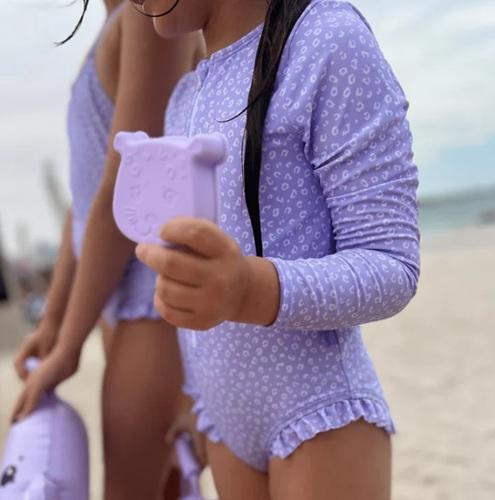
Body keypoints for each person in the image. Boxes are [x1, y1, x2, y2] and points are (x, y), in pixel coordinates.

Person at [134, 0, 421, 499]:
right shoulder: (184, 99)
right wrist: (193, 396)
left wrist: (249, 290)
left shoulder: (325, 42)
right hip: (224, 422)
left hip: (317, 413)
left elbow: (392, 263)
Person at [12, 1, 204, 498]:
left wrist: (68, 346)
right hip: (122, 298)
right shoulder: (115, 24)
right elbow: (83, 205)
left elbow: (124, 189)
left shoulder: (150, 17)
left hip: (156, 298)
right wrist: (54, 323)